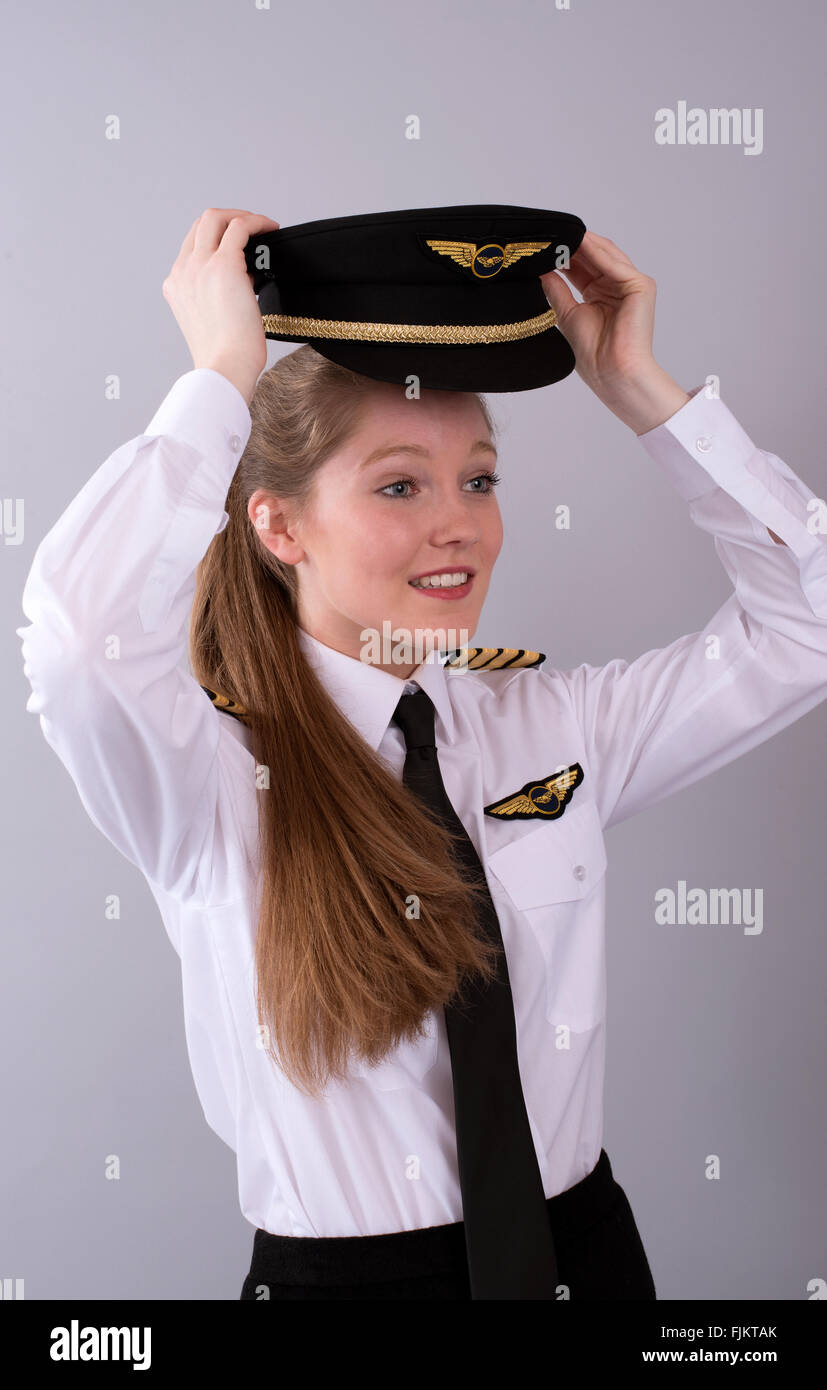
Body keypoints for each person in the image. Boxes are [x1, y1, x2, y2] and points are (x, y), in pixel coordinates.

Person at [16, 207, 827, 1301]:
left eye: (478, 479)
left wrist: (642, 392)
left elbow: (804, 627)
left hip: (584, 1264)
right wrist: (218, 376)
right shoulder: (207, 775)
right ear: (277, 526)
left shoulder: (553, 728)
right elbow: (78, 639)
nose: (459, 526)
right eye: (400, 485)